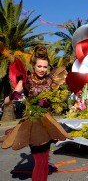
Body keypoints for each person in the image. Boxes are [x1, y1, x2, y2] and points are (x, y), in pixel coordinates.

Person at [0, 45, 72, 181]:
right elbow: (6, 101)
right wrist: (13, 96)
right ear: (33, 65)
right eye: (39, 66)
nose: (42, 69)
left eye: (45, 67)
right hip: (32, 123)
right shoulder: (26, 81)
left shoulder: (51, 81)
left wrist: (51, 103)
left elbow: (59, 100)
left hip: (48, 124)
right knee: (39, 161)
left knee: (44, 160)